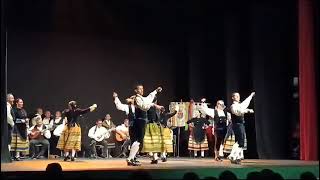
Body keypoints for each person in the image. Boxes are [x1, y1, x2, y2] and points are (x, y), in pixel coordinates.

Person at [228, 92, 255, 164]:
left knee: (239, 141)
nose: (238, 97)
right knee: (240, 141)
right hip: (237, 124)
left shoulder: (239, 105)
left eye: (238, 96)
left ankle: (234, 157)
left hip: (240, 124)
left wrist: (251, 96)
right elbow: (238, 112)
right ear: (233, 98)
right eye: (236, 96)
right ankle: (233, 156)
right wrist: (247, 110)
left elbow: (245, 103)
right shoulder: (233, 106)